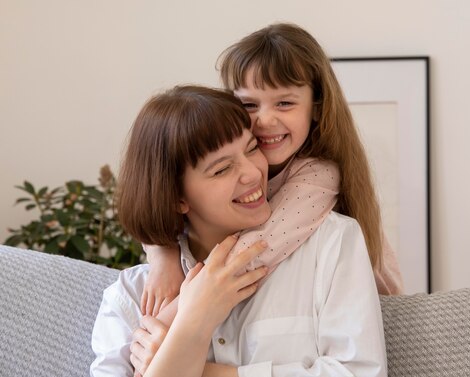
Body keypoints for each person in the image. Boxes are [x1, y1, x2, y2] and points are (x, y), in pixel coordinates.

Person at [89, 85, 387, 377]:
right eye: (222, 169)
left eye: (252, 148)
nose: (252, 173)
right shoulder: (131, 301)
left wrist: (188, 370)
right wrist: (192, 325)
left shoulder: (330, 244)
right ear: (177, 198)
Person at [141, 23, 403, 318]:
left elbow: (254, 254)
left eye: (285, 103)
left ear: (317, 107)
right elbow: (161, 198)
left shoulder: (319, 175)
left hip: (372, 315)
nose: (265, 120)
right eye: (249, 104)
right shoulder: (240, 169)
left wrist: (171, 319)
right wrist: (161, 254)